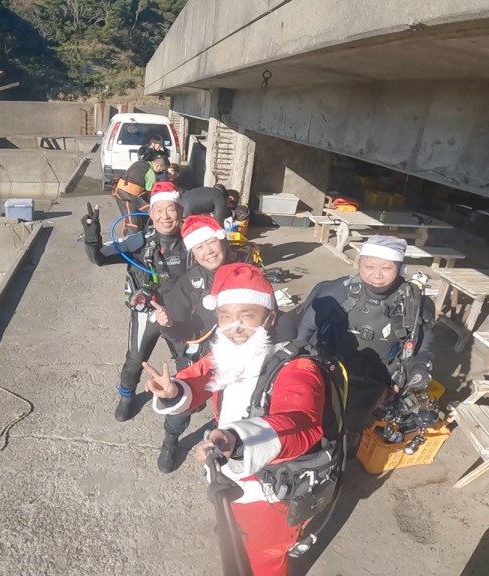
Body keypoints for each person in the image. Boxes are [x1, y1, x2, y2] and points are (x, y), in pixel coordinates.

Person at [145, 263, 326, 576]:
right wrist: (174, 390)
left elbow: (300, 423)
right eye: (226, 316)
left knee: (264, 558)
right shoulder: (228, 352)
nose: (235, 326)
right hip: (230, 470)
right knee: (240, 538)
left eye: (247, 315)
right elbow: (201, 375)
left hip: (272, 488)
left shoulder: (298, 367)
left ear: (270, 318)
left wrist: (236, 440)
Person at [295, 235, 435, 442]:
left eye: (386, 268)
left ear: (400, 269)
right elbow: (304, 330)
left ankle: (348, 442)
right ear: (359, 264)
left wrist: (420, 367)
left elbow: (423, 343)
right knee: (318, 420)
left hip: (377, 379)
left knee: (352, 428)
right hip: (328, 369)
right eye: (369, 267)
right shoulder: (334, 291)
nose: (376, 275)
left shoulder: (414, 304)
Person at [82, 186, 190, 428]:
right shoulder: (139, 240)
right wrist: (92, 238)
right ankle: (127, 396)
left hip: (181, 314)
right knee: (135, 359)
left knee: (186, 360)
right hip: (147, 313)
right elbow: (100, 258)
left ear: (180, 211)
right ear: (150, 213)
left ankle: (181, 408)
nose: (165, 216)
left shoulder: (192, 240)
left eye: (171, 209)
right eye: (159, 210)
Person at [152, 215, 240, 472]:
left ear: (223, 242)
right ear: (193, 253)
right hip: (199, 357)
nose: (208, 251)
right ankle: (171, 439)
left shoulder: (245, 274)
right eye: (199, 247)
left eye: (211, 242)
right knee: (182, 404)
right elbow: (180, 333)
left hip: (237, 359)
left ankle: (223, 447)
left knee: (231, 407)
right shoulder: (188, 283)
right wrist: (168, 323)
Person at [113, 157, 169, 233]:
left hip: (118, 191)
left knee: (128, 218)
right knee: (133, 223)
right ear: (158, 166)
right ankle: (131, 239)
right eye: (162, 169)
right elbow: (150, 193)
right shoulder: (151, 174)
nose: (162, 172)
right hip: (127, 197)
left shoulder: (140, 163)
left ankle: (128, 236)